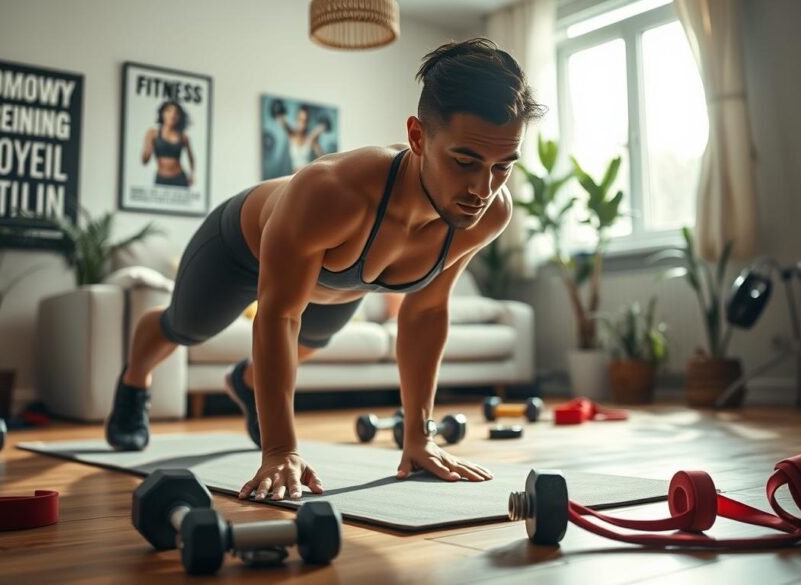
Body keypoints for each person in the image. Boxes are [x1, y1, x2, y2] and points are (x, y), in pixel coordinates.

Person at [106, 38, 545, 502]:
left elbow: (425, 311)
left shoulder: (490, 212)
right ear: (418, 136)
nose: (482, 187)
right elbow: (279, 316)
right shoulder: (332, 191)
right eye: (464, 161)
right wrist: (280, 449)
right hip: (238, 250)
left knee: (309, 344)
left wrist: (419, 436)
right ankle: (135, 382)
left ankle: (248, 381)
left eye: (503, 166)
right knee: (185, 327)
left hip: (338, 287)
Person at [141, 100, 196, 187]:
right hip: (161, 178)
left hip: (179, 178)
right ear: (162, 114)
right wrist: (147, 151)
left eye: (176, 112)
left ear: (179, 117)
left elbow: (191, 158)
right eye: (168, 111)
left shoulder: (183, 137)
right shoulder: (153, 133)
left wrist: (192, 174)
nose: (172, 115)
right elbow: (144, 161)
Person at [274, 104, 328, 172]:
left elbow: (324, 160)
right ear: (296, 119)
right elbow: (283, 122)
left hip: (307, 176)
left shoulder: (311, 139)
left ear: (308, 121)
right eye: (300, 119)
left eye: (305, 120)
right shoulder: (291, 135)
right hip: (294, 176)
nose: (303, 123)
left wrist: (320, 129)